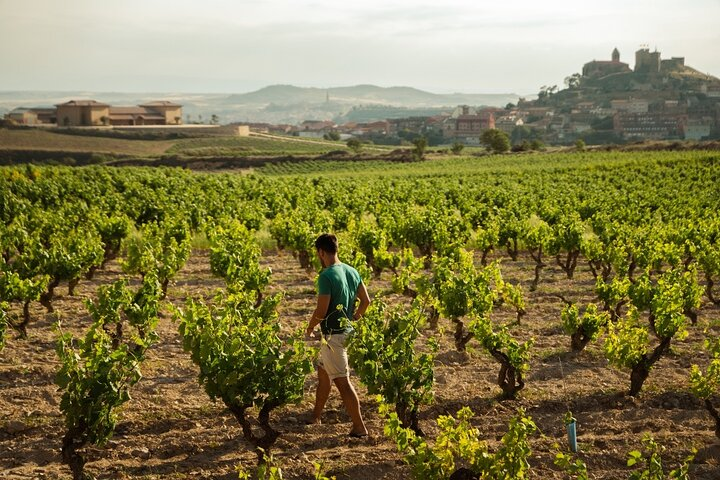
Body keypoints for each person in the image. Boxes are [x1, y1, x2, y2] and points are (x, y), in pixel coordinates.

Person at [305, 233, 370, 437]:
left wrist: (310, 327)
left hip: (333, 336)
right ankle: (315, 416)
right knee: (323, 375)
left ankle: (359, 427)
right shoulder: (351, 271)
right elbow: (366, 301)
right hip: (346, 333)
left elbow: (321, 310)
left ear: (321, 252)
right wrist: (355, 316)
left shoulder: (326, 276)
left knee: (342, 382)